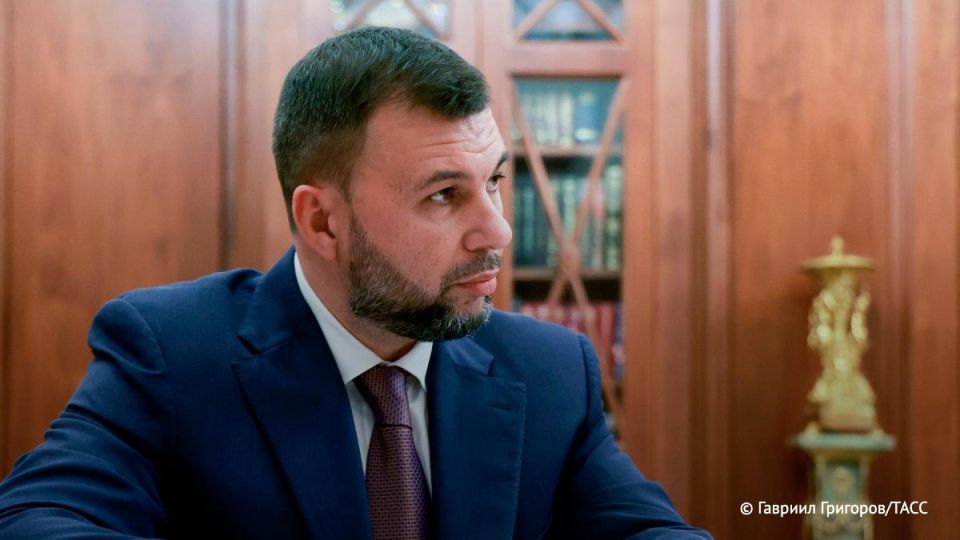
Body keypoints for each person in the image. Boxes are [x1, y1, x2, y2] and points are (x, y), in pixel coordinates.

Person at [0, 27, 711, 539]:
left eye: (494, 181)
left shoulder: (551, 370)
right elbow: (37, 516)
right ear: (322, 221)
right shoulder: (171, 352)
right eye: (443, 195)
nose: (496, 231)